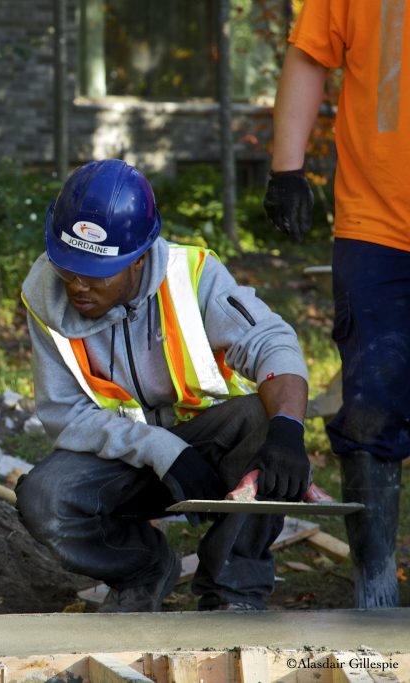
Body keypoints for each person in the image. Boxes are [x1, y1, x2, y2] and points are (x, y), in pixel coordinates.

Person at [15, 159, 311, 612]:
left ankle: (232, 595)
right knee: (44, 498)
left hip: (213, 446)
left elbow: (272, 342)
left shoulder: (192, 276)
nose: (77, 286)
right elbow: (64, 413)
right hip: (121, 458)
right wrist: (162, 450)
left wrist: (288, 431)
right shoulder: (44, 294)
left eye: (96, 272)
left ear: (138, 258)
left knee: (262, 421)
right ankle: (144, 570)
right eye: (67, 267)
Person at [263, 0, 409, 610]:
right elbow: (308, 53)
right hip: (375, 225)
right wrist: (287, 169)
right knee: (372, 407)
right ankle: (376, 589)